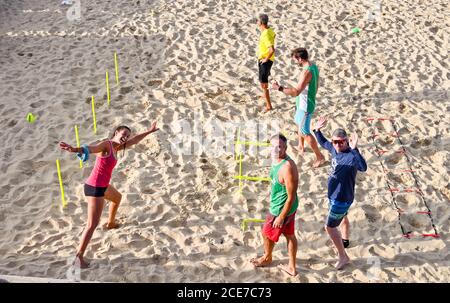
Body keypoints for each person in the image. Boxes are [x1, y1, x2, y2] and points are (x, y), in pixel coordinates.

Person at [59, 121, 159, 268]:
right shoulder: (107, 145)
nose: (126, 137)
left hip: (103, 186)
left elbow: (135, 140)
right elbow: (91, 148)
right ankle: (78, 257)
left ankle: (111, 223)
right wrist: (74, 149)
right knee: (92, 224)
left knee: (117, 198)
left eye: (127, 136)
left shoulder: (118, 147)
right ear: (116, 132)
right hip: (94, 188)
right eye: (123, 134)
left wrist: (149, 131)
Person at [312, 117, 367, 269]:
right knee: (343, 219)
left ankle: (343, 256)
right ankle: (345, 241)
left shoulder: (351, 156)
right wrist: (317, 130)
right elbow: (323, 143)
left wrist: (355, 149)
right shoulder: (334, 148)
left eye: (341, 142)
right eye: (335, 142)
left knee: (329, 227)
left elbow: (363, 167)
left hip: (341, 198)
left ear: (347, 141)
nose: (337, 145)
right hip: (335, 195)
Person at [250, 134, 299, 276]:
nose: (275, 149)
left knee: (266, 233)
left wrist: (281, 217)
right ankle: (292, 268)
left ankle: (267, 257)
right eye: (272, 146)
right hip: (287, 206)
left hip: (281, 208)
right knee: (290, 235)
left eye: (279, 146)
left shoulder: (287, 167)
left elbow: (291, 196)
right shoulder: (276, 159)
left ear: (285, 148)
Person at [272, 48, 325, 168]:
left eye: (295, 59)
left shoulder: (306, 72)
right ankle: (301, 146)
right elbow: (317, 84)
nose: (294, 61)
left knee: (305, 132)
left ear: (300, 59)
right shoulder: (313, 66)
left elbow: (295, 92)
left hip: (305, 105)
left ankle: (319, 157)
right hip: (302, 102)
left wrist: (279, 88)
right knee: (298, 124)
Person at [256, 14, 276, 112]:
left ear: (261, 23)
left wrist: (265, 59)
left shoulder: (265, 34)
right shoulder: (268, 30)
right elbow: (274, 34)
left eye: (257, 21)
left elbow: (272, 49)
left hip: (266, 61)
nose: (256, 22)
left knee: (264, 84)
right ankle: (265, 95)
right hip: (268, 60)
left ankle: (269, 106)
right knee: (263, 81)